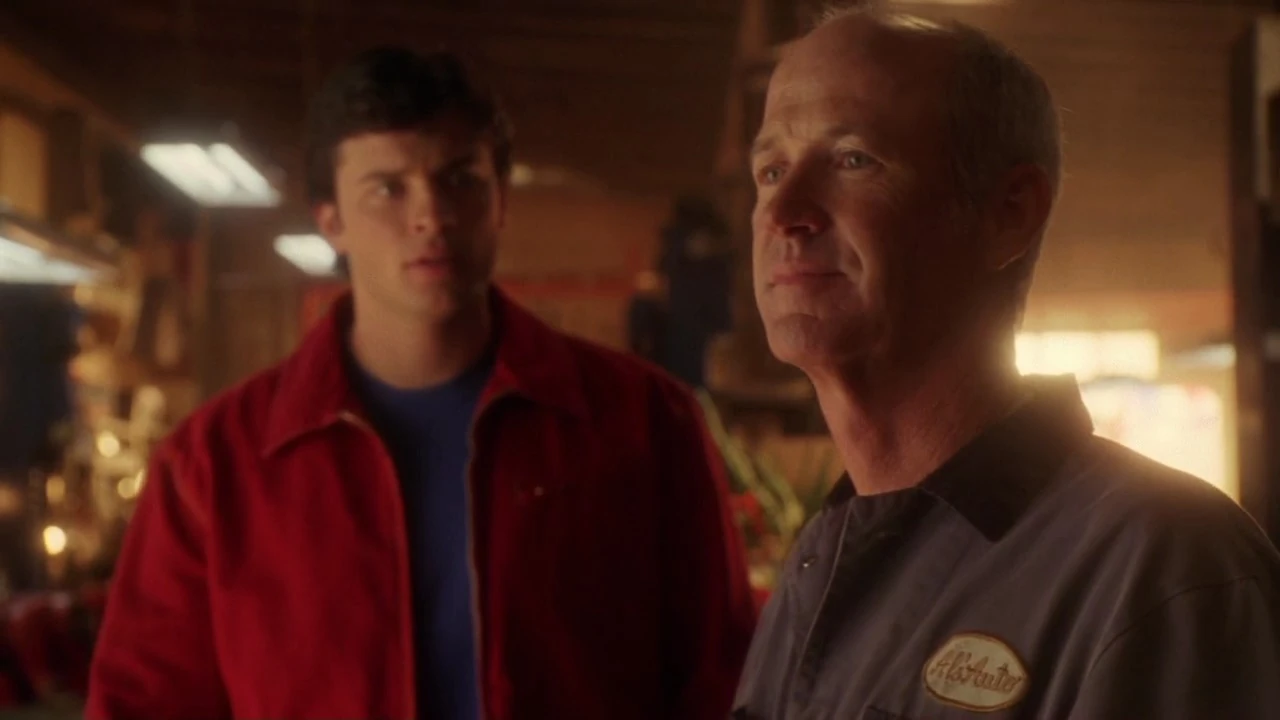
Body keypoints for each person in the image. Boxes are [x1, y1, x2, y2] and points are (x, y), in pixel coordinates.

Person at [87, 47, 756, 720]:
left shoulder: (645, 421)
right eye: (388, 189)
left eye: (460, 180)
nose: (431, 216)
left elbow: (723, 682)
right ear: (332, 221)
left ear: (499, 201)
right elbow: (145, 706)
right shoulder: (211, 465)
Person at [733, 7, 1280, 719]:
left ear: (1010, 212)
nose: (785, 212)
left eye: (853, 160)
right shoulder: (823, 558)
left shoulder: (1161, 569)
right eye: (772, 170)